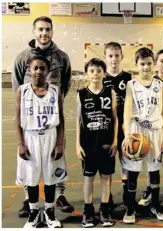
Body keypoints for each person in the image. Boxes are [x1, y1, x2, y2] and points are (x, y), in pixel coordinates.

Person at [12, 16, 74, 218]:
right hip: (31, 117)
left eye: (47, 29)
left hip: (52, 115)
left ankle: (59, 195)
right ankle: (28, 199)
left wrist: (55, 102)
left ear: (52, 31)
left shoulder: (62, 57)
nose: (44, 33)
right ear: (34, 32)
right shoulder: (22, 57)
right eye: (40, 29)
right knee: (29, 159)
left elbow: (65, 83)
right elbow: (17, 86)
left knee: (56, 156)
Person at [16, 55, 66, 228]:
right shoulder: (22, 90)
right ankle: (33, 213)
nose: (39, 72)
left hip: (50, 137)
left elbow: (61, 119)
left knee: (51, 177)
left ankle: (50, 213)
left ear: (48, 71)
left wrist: (60, 143)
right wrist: (21, 143)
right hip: (30, 138)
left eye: (42, 68)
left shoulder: (55, 90)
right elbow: (17, 119)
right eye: (35, 68)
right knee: (31, 179)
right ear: (29, 70)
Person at [121, 47, 163, 223]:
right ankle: (130, 209)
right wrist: (127, 134)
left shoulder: (160, 85)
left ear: (154, 64)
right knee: (133, 172)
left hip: (155, 132)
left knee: (154, 171)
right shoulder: (131, 85)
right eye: (142, 64)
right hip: (136, 132)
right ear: (137, 65)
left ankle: (154, 205)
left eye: (149, 63)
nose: (146, 67)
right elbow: (126, 111)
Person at [76, 58, 118, 227]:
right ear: (87, 74)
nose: (96, 74)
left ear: (104, 73)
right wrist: (78, 145)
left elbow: (115, 119)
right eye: (92, 71)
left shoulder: (110, 92)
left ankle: (104, 210)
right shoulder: (81, 94)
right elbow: (78, 122)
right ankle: (88, 211)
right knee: (89, 178)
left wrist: (115, 140)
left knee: (106, 178)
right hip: (88, 143)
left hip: (106, 142)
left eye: (99, 71)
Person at [139, 49, 163, 206]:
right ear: (156, 64)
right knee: (152, 162)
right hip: (154, 130)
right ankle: (149, 189)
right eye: (162, 61)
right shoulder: (151, 83)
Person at [102, 42, 132, 212]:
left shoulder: (128, 78)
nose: (113, 59)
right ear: (105, 57)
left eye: (116, 55)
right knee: (107, 164)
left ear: (122, 56)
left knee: (125, 160)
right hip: (106, 128)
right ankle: (108, 197)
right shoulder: (101, 77)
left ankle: (127, 194)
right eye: (110, 56)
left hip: (123, 127)